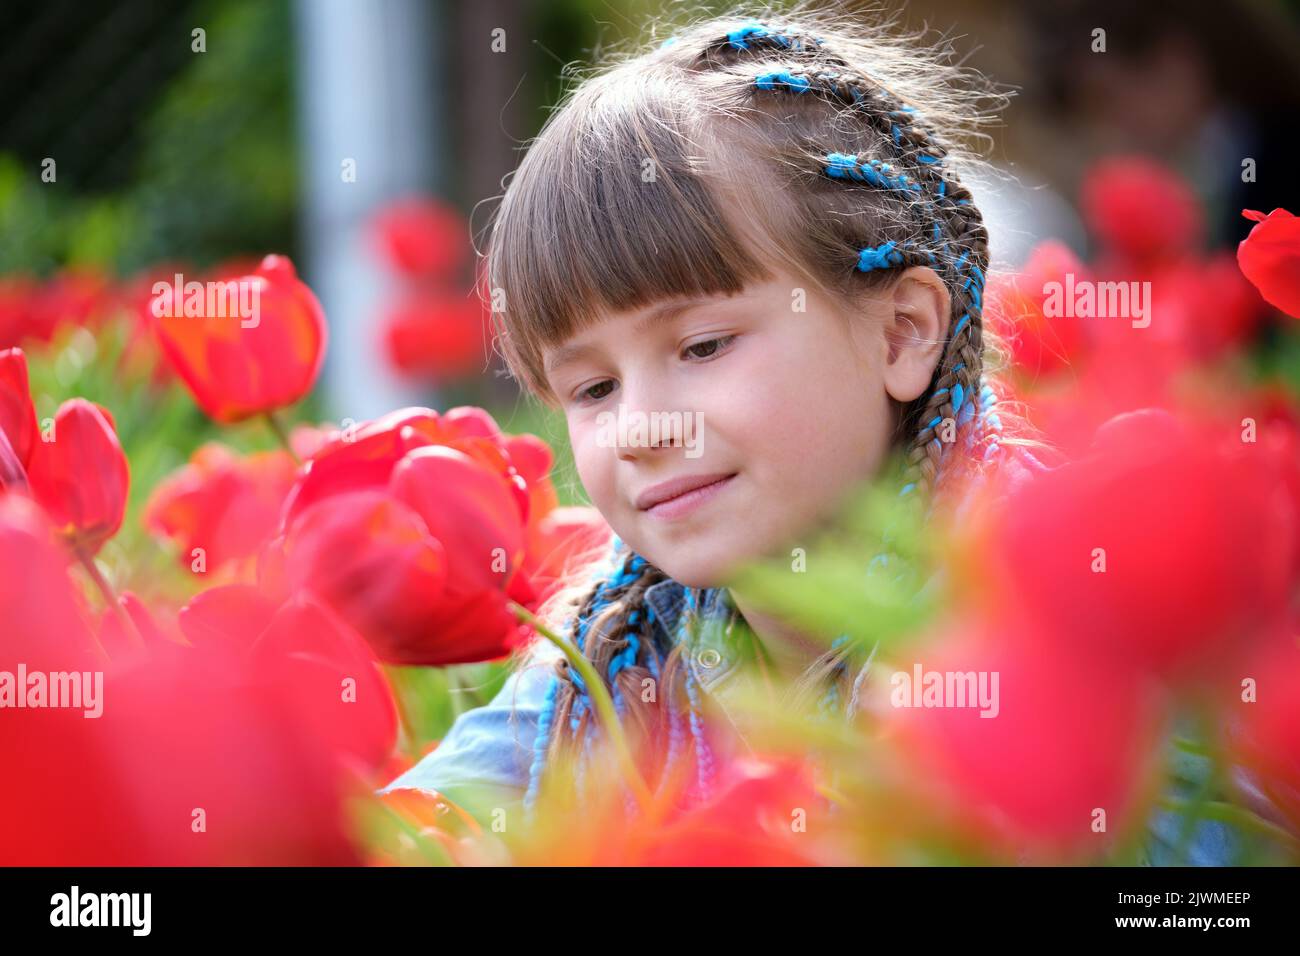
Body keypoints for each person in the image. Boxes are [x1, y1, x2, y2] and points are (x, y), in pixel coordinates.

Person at [382, 11, 1251, 865]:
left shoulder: (1065, 619)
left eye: (703, 346)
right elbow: (398, 832)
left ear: (901, 331)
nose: (643, 428)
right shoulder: (617, 649)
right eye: (594, 387)